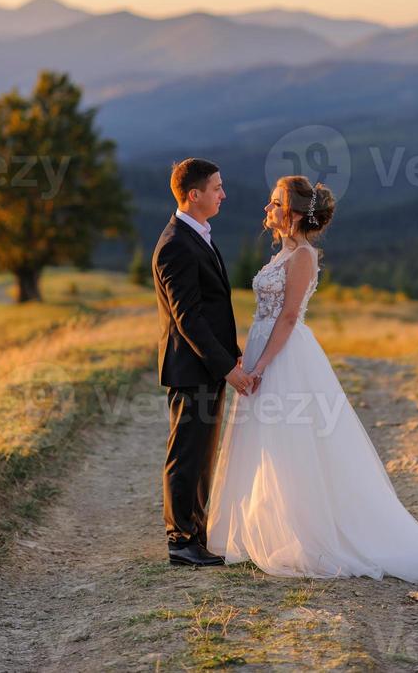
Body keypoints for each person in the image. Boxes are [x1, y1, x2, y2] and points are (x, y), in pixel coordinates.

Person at [206, 175, 418, 582]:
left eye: (275, 202)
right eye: (269, 202)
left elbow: (288, 318)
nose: (267, 209)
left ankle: (307, 534)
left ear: (294, 212)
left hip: (283, 356)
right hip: (260, 348)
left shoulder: (303, 255)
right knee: (266, 441)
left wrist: (260, 366)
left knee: (293, 440)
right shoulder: (283, 252)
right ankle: (269, 526)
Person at [152, 157, 254, 567]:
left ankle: (196, 531)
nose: (223, 194)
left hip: (207, 365)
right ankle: (180, 541)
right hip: (192, 366)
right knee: (188, 453)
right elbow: (187, 318)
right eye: (216, 188)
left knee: (203, 452)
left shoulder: (196, 234)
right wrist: (227, 367)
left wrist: (231, 354)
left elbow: (212, 307)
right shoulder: (176, 244)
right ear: (194, 195)